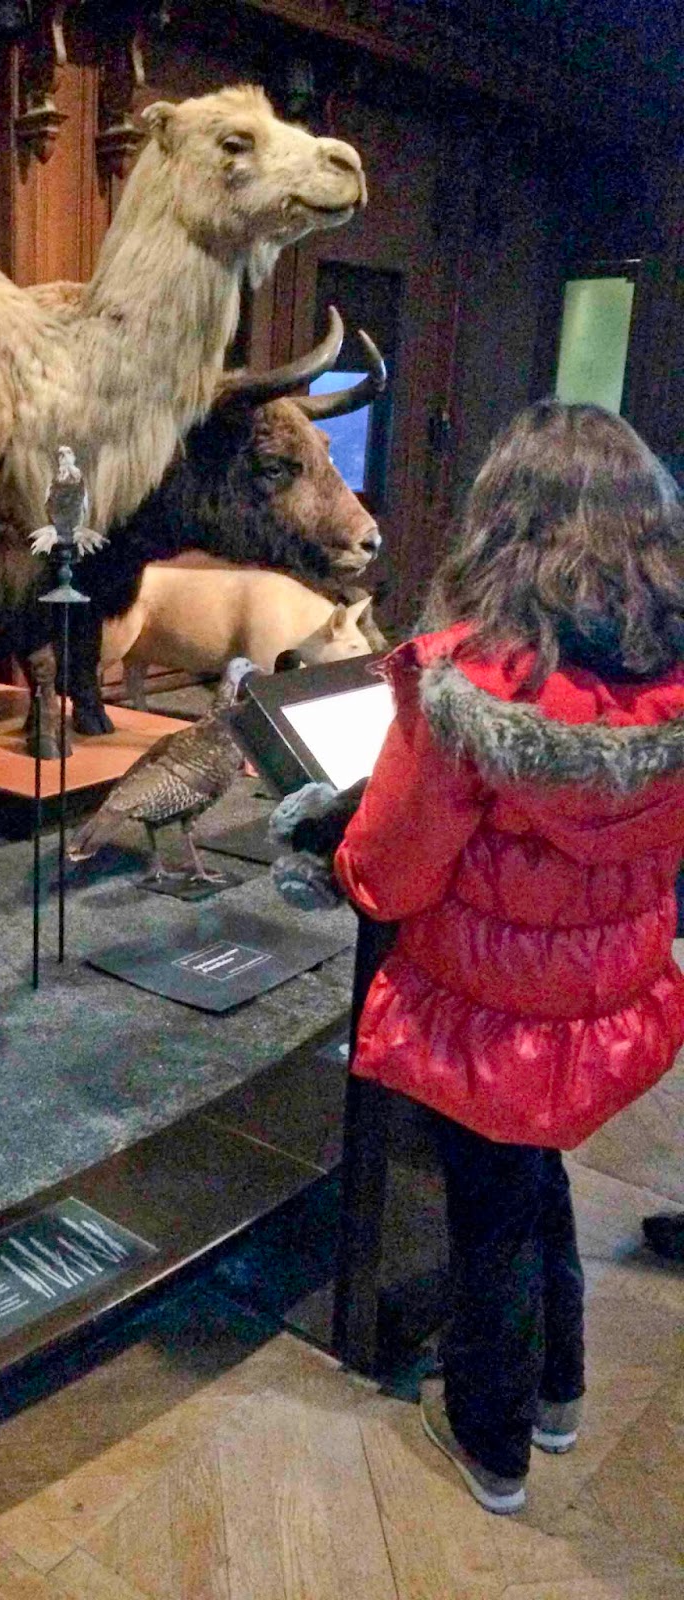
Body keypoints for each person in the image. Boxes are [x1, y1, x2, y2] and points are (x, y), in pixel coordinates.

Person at [333, 400, 684, 1514]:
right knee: (542, 1176)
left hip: (485, 1008)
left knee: (490, 1209)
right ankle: (561, 1395)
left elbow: (389, 873)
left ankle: (491, 1441)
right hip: (607, 997)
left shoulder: (463, 686)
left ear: (504, 524)